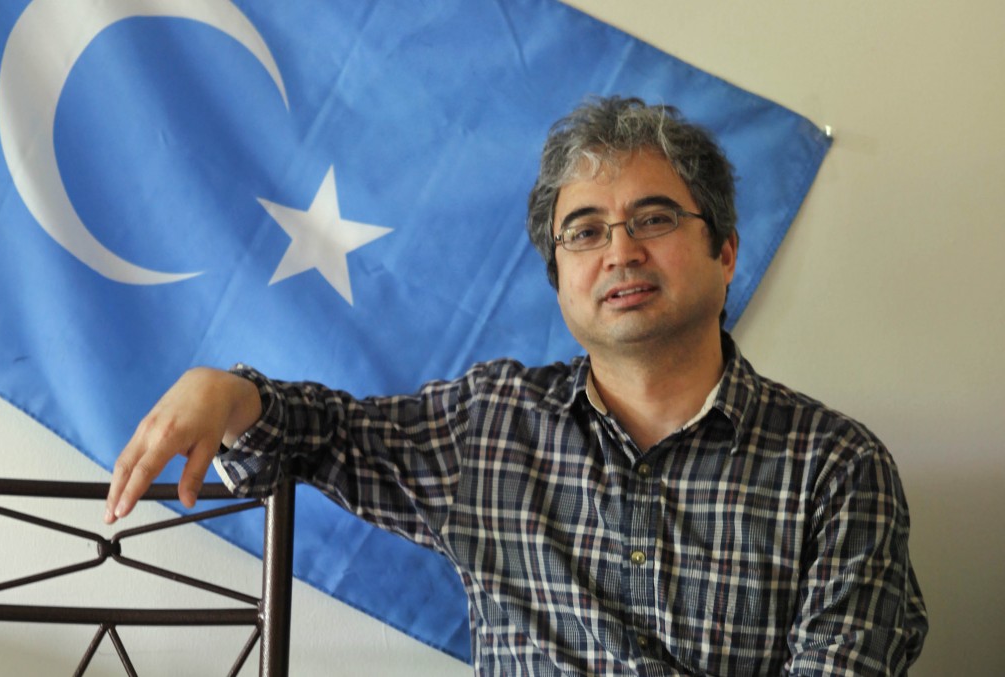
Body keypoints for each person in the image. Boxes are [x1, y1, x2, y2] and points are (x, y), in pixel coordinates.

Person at [105, 96, 928, 675]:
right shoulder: (491, 424)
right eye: (586, 232)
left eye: (653, 219)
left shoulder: (836, 468)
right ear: (559, 279)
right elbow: (319, 433)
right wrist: (229, 391)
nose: (620, 252)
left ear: (726, 253)